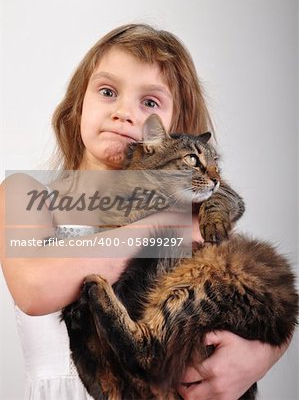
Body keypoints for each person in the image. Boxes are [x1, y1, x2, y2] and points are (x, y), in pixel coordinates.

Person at [0, 24, 290, 400]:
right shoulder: (28, 193)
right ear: (78, 104)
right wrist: (168, 223)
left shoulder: (199, 207)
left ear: (175, 128)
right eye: (108, 92)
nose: (125, 112)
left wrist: (263, 355)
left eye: (150, 103)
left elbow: (250, 291)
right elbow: (35, 288)